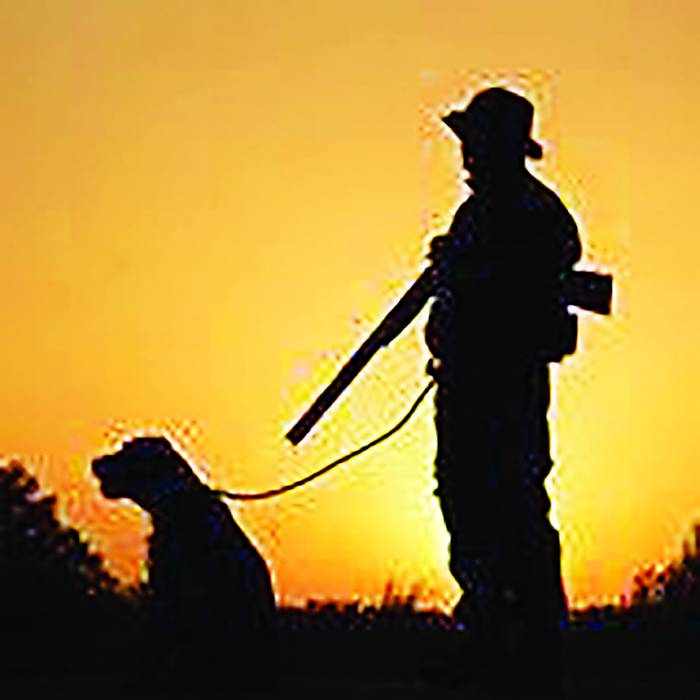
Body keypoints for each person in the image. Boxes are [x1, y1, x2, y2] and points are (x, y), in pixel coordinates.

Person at [425, 87, 581, 699]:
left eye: (476, 140)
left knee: (511, 514)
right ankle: (489, 636)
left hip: (500, 395)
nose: (466, 153)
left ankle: (522, 650)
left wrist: (469, 270)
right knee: (469, 508)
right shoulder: (483, 213)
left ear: (503, 146)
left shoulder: (532, 215)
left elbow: (531, 283)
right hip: (470, 389)